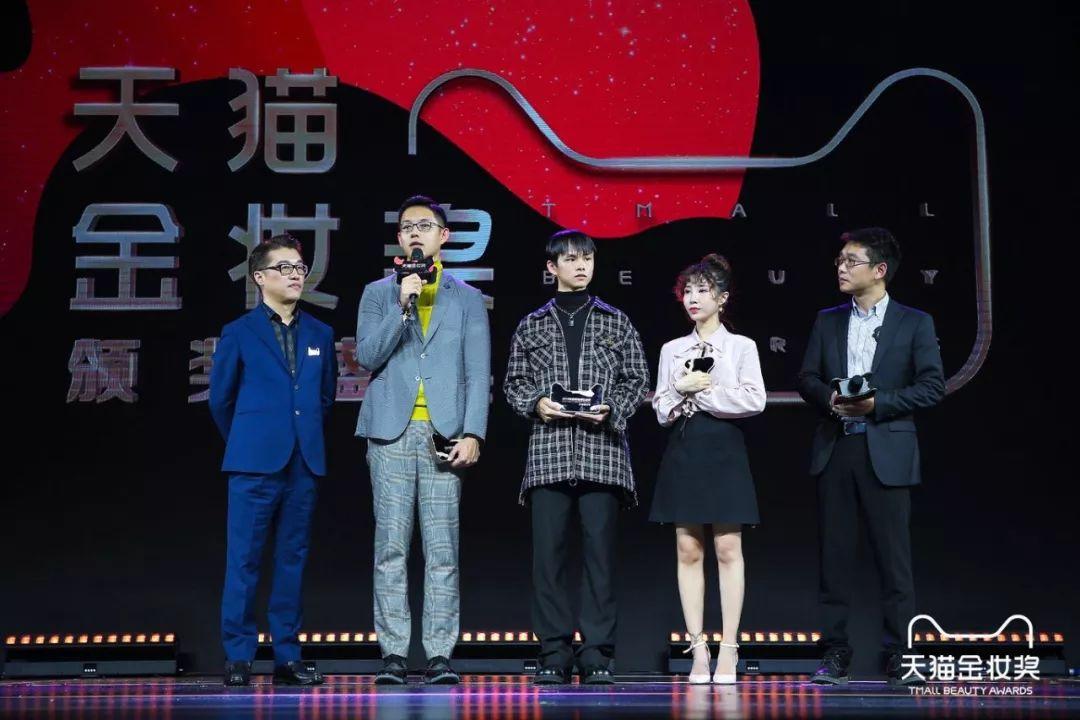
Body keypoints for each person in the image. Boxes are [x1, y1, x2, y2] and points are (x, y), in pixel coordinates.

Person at [797, 228, 944, 686]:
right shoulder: (827, 320)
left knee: (894, 561)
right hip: (837, 447)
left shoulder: (914, 322)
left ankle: (901, 654)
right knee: (835, 559)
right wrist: (830, 399)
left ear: (879, 270)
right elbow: (807, 377)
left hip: (887, 449)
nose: (841, 267)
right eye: (839, 260)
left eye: (851, 261)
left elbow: (931, 386)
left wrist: (878, 405)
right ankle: (835, 654)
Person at [503, 229, 650, 685]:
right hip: (548, 453)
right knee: (548, 560)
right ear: (552, 268)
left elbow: (637, 378)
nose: (581, 265)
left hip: (601, 453)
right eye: (570, 259)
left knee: (599, 559)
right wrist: (536, 403)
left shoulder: (616, 320)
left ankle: (597, 654)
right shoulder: (532, 324)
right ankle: (553, 652)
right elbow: (513, 382)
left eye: (587, 257)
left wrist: (613, 408)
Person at [354, 195, 491, 685]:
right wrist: (401, 305)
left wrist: (473, 432)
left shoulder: (467, 298)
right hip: (389, 433)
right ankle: (393, 652)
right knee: (390, 546)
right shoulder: (378, 293)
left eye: (425, 226)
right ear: (399, 238)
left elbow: (477, 370)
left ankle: (438, 654)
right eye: (408, 226)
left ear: (443, 236)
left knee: (442, 549)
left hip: (444, 433)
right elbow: (367, 356)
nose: (416, 233)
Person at [210, 233, 337, 687]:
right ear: (259, 277)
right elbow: (221, 401)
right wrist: (250, 441)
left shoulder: (321, 333)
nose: (295, 275)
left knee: (292, 559)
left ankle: (287, 655)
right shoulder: (238, 332)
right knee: (243, 559)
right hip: (252, 464)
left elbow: (324, 398)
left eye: (299, 267)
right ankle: (238, 655)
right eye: (284, 268)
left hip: (303, 463)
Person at [650, 254, 766, 685]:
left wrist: (707, 393)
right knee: (688, 549)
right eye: (688, 291)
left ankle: (729, 649)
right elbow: (661, 410)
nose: (693, 298)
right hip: (684, 448)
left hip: (724, 449)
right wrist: (680, 390)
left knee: (728, 548)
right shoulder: (672, 350)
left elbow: (754, 399)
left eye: (703, 291)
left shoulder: (741, 347)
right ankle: (698, 649)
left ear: (723, 298)